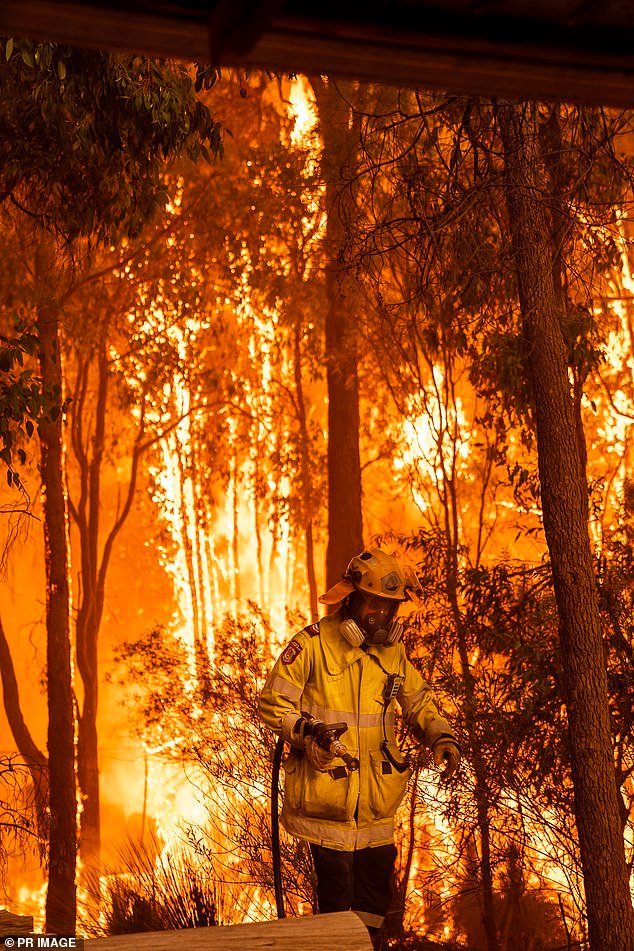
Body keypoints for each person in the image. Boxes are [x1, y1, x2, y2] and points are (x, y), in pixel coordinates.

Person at [258, 548, 460, 944]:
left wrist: (441, 734)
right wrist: (306, 732)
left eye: (389, 608)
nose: (381, 616)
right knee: (337, 914)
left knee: (373, 911)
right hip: (326, 808)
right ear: (350, 598)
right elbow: (272, 704)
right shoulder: (312, 645)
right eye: (374, 604)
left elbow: (417, 700)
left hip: (377, 814)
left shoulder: (392, 652)